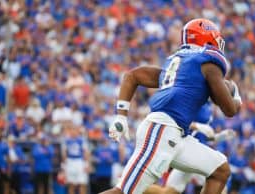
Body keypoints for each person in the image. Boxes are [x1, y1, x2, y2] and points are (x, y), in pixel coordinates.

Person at [101, 18, 242, 194]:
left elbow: (133, 76)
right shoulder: (208, 63)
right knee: (122, 192)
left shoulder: (180, 64)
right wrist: (236, 94)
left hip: (177, 134)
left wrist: (121, 116)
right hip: (162, 129)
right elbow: (230, 110)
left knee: (220, 169)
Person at [143, 103, 236, 194]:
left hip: (197, 154)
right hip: (190, 153)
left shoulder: (208, 106)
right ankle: (133, 187)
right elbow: (173, 119)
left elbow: (203, 135)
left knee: (169, 192)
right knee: (221, 184)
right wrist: (196, 126)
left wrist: (218, 137)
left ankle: (134, 186)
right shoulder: (194, 97)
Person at [62, 124, 90, 194]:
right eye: (72, 130)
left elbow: (86, 152)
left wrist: (87, 164)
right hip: (70, 162)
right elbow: (64, 153)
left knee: (82, 183)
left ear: (77, 131)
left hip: (80, 162)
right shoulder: (66, 140)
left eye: (75, 130)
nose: (73, 132)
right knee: (71, 184)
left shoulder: (82, 140)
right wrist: (64, 165)